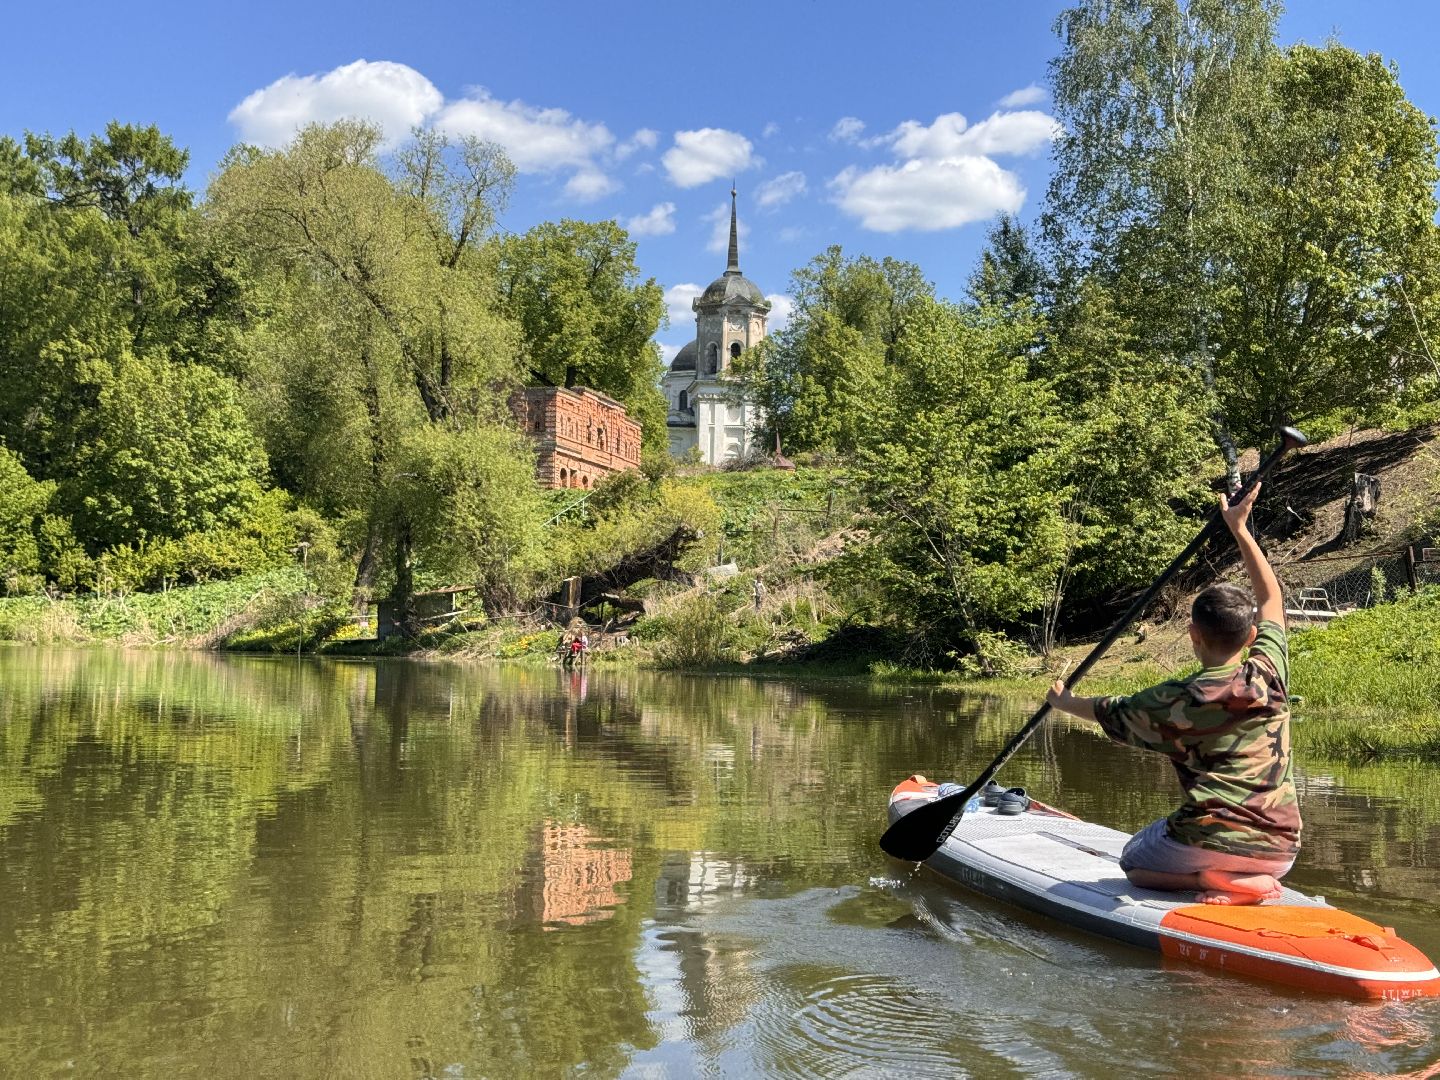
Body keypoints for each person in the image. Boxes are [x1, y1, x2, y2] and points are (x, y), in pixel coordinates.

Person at [1046, 482, 1301, 906]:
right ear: (1252, 636)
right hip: (1282, 849)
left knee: (1133, 861)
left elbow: (1111, 710)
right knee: (1172, 840)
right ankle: (1243, 877)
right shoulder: (1269, 673)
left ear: (1193, 636)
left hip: (1211, 841)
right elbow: (1271, 596)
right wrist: (1239, 529)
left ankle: (1219, 880)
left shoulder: (1174, 700)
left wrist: (1063, 702)